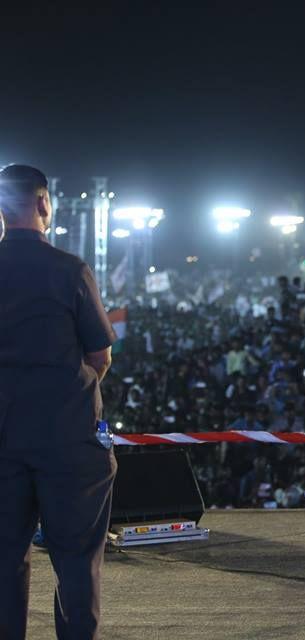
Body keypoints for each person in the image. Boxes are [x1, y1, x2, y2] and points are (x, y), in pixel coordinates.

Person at [0, 165, 117, 639]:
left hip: (3, 439)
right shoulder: (70, 271)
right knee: (76, 560)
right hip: (68, 439)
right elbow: (100, 355)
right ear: (44, 204)